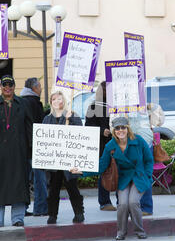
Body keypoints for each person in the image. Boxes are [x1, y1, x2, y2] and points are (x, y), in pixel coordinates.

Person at [73, 116, 153, 240]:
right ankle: (121, 232)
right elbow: (101, 165)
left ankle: (139, 231)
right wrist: (82, 171)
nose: (120, 131)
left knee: (133, 202)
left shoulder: (139, 140)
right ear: (113, 131)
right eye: (117, 128)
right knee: (122, 204)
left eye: (123, 128)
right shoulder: (111, 145)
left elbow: (149, 160)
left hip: (139, 176)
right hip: (123, 178)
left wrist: (148, 175)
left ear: (128, 128)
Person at [0, 75, 34, 228]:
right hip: (0, 151)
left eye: (10, 85)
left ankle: (18, 218)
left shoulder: (22, 103)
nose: (7, 88)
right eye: (5, 85)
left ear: (14, 87)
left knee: (18, 183)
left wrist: (31, 147)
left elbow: (29, 126)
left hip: (18, 150)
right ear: (1, 87)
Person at [43, 90, 85, 225]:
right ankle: (52, 215)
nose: (56, 101)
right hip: (54, 161)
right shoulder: (47, 119)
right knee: (53, 189)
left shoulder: (72, 115)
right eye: (53, 99)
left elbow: (80, 133)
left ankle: (79, 212)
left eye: (59, 99)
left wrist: (69, 120)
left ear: (64, 101)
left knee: (72, 187)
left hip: (69, 160)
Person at [85, 81, 116, 211]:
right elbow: (87, 127)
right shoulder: (93, 107)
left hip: (118, 142)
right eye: (105, 90)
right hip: (103, 144)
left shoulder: (116, 106)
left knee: (120, 171)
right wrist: (101, 131)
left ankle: (122, 200)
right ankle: (104, 202)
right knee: (104, 171)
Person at [20, 77, 48, 217]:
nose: (41, 89)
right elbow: (39, 123)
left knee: (24, 178)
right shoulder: (34, 102)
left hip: (23, 146)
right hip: (34, 146)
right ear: (34, 88)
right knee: (39, 178)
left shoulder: (19, 101)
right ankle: (41, 208)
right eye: (40, 86)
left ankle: (22, 208)